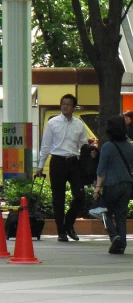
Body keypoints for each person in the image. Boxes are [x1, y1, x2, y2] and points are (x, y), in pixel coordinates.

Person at [35, 93, 88, 242]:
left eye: (68, 104)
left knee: (80, 195)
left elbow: (83, 144)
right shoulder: (53, 123)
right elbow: (46, 145)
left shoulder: (79, 124)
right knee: (58, 198)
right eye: (63, 103)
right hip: (57, 161)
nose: (65, 106)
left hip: (73, 162)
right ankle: (61, 231)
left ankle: (68, 224)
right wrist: (40, 165)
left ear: (73, 107)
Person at [93, 116, 133, 254]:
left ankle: (114, 237)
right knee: (121, 215)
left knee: (104, 211)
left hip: (111, 185)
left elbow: (101, 170)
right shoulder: (129, 147)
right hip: (126, 185)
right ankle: (122, 244)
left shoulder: (107, 147)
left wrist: (97, 187)